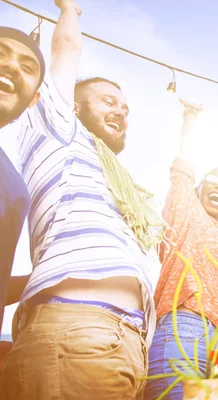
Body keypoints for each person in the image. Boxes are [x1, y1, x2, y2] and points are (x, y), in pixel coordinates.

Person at [0, 1, 166, 398]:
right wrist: (70, 9)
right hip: (80, 332)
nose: (121, 112)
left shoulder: (115, 179)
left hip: (120, 342)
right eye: (108, 101)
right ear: (70, 105)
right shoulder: (60, 131)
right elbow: (67, 49)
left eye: (125, 108)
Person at [144, 100, 218, 400]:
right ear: (198, 188)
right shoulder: (185, 213)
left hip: (215, 342)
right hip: (182, 330)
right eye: (212, 180)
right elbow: (182, 172)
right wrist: (190, 119)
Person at [0, 24, 45, 366]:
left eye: (27, 67)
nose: (13, 66)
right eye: (1, 54)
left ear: (34, 99)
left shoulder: (12, 179)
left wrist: (44, 277)